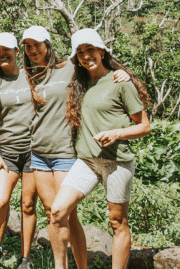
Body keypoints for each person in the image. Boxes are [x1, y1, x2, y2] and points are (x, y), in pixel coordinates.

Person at [23, 25, 129, 269]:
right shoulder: (30, 74)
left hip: (65, 152)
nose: (32, 50)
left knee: (69, 215)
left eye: (37, 45)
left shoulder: (71, 67)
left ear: (48, 45)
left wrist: (124, 75)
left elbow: (102, 68)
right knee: (53, 213)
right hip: (38, 152)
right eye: (27, 47)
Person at [49, 29, 151, 269]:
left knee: (117, 222)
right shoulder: (79, 83)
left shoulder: (120, 82)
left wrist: (117, 133)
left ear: (102, 51)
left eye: (90, 49)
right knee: (57, 212)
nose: (86, 56)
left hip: (117, 162)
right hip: (87, 161)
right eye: (80, 53)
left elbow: (144, 126)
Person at [0, 32, 37, 269]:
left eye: (6, 50)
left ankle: (25, 258)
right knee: (0, 201)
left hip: (35, 152)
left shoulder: (34, 76)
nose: (1, 54)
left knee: (28, 205)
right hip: (6, 152)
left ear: (17, 51)